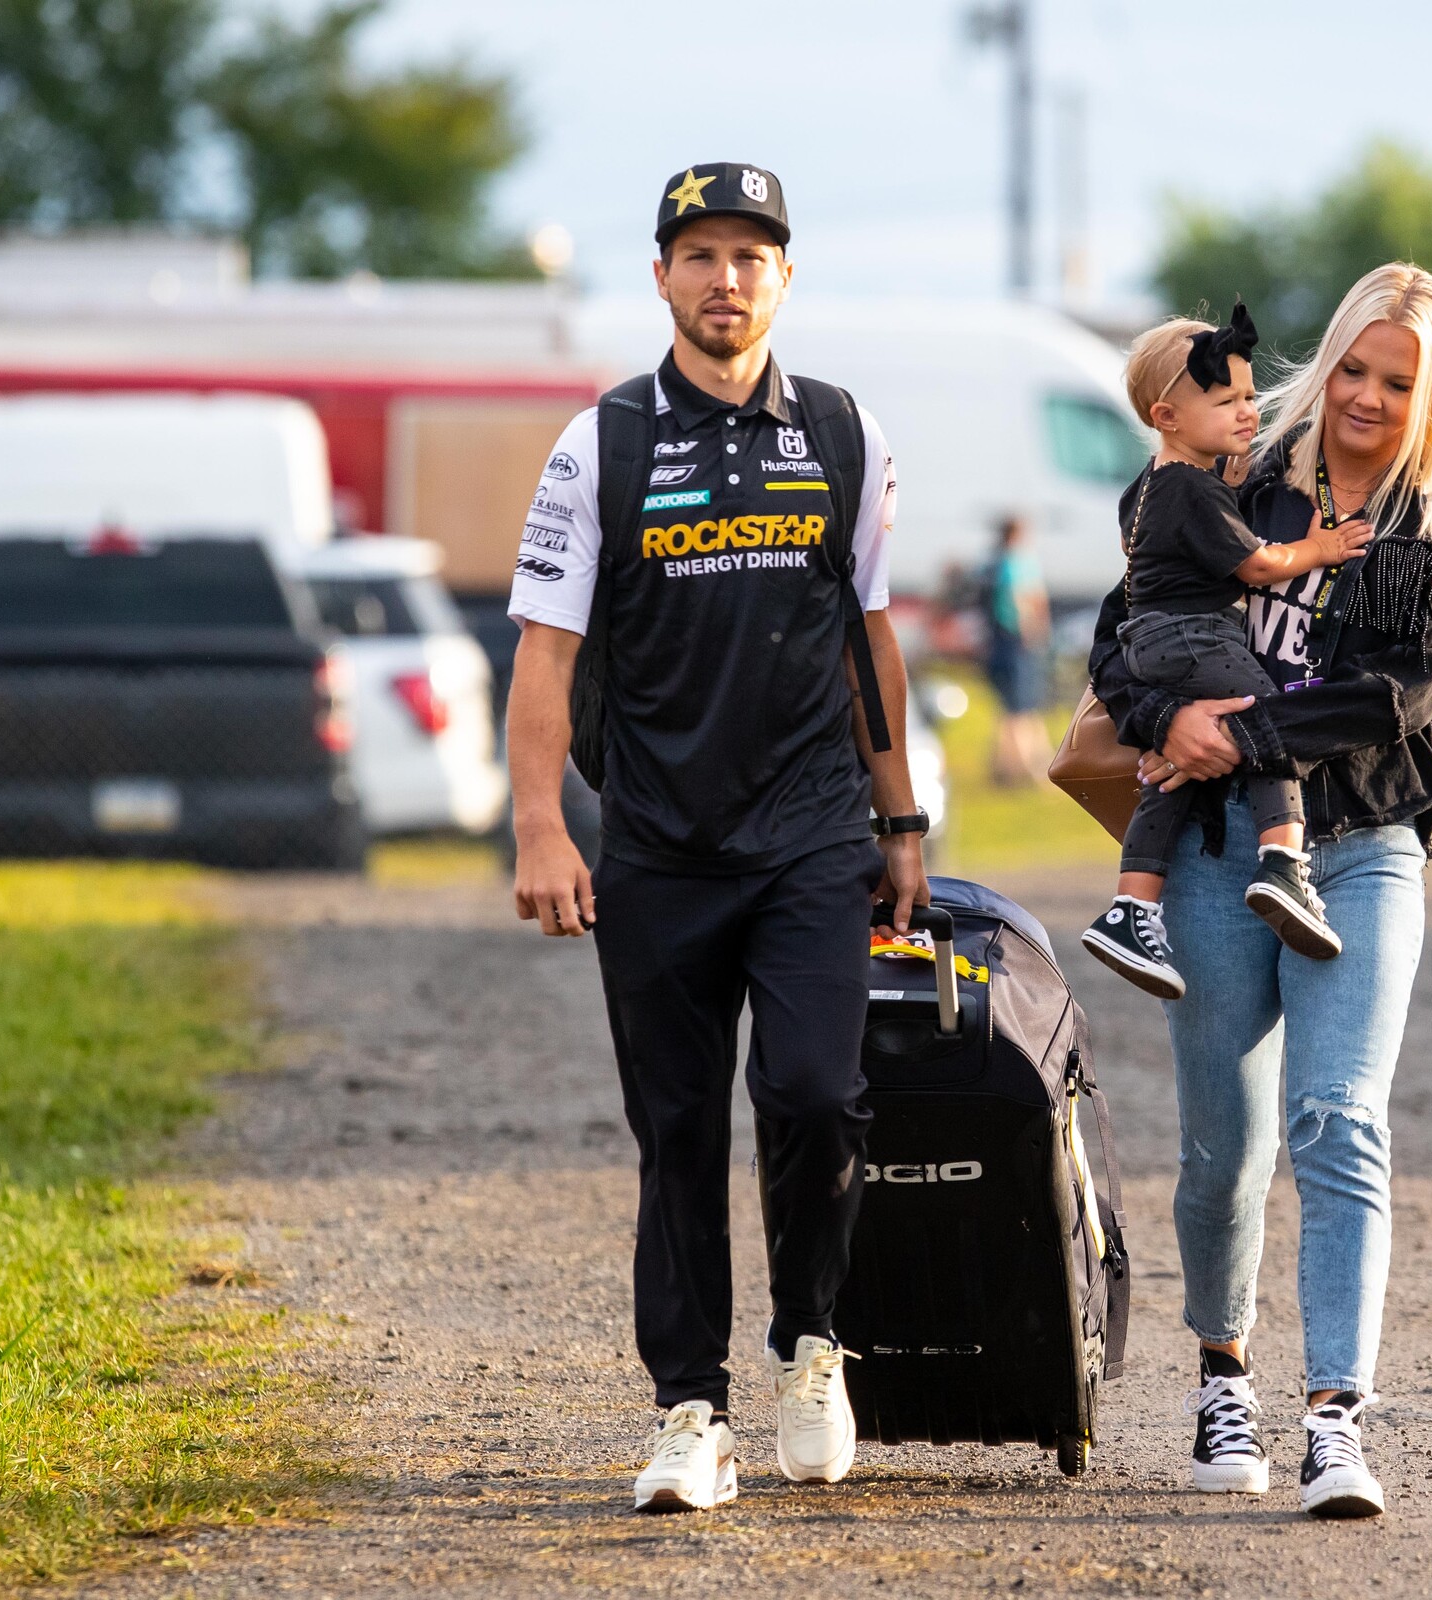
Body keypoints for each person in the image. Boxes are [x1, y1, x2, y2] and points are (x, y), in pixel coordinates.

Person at [504, 161, 929, 1514]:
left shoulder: (846, 435)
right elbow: (545, 655)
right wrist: (539, 829)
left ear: (785, 278)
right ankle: (692, 1409)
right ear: (662, 277)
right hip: (658, 845)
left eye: (752, 255)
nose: (726, 277)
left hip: (812, 838)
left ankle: (812, 1344)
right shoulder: (602, 443)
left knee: (815, 1095)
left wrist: (900, 815)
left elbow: (871, 638)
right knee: (676, 1131)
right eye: (701, 254)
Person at [1088, 263, 1432, 1518]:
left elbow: (1389, 698)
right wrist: (1172, 720)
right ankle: (1224, 1370)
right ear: (1328, 362)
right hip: (1213, 846)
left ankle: (1335, 1421)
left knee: (1341, 1120)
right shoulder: (1231, 479)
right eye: (1357, 370)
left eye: (1400, 381)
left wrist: (1240, 736)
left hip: (1364, 843)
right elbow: (1122, 637)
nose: (1369, 398)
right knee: (1227, 1145)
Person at [1080, 302, 1374, 999]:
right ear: (1167, 417)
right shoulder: (1191, 488)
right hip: (1195, 636)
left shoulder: (1146, 490)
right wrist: (1323, 547)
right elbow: (1258, 566)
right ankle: (1281, 862)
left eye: (1248, 396)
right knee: (1266, 717)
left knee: (1177, 770)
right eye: (1226, 401)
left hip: (1148, 644)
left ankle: (1132, 906)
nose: (1248, 412)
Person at [982, 514, 1053, 785]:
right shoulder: (1019, 562)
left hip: (999, 640)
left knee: (1011, 706)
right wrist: (1034, 630)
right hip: (1018, 640)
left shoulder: (994, 561)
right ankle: (1031, 771)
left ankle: (1005, 767)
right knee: (1021, 707)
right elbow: (1024, 598)